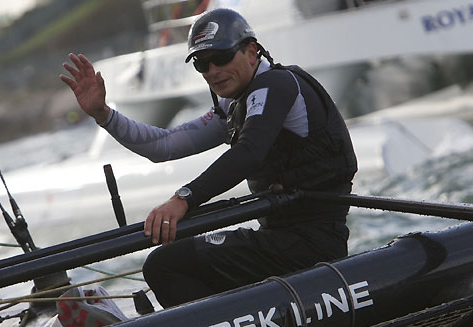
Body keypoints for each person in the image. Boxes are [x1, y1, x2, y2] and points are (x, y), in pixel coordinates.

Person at [60, 8, 357, 309]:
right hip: (280, 238)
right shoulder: (235, 104)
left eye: (223, 57)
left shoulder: (276, 85)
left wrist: (184, 198)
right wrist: (103, 115)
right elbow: (163, 145)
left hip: (313, 242)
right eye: (202, 63)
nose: (213, 70)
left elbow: (249, 153)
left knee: (164, 264)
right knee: (171, 261)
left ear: (251, 51)